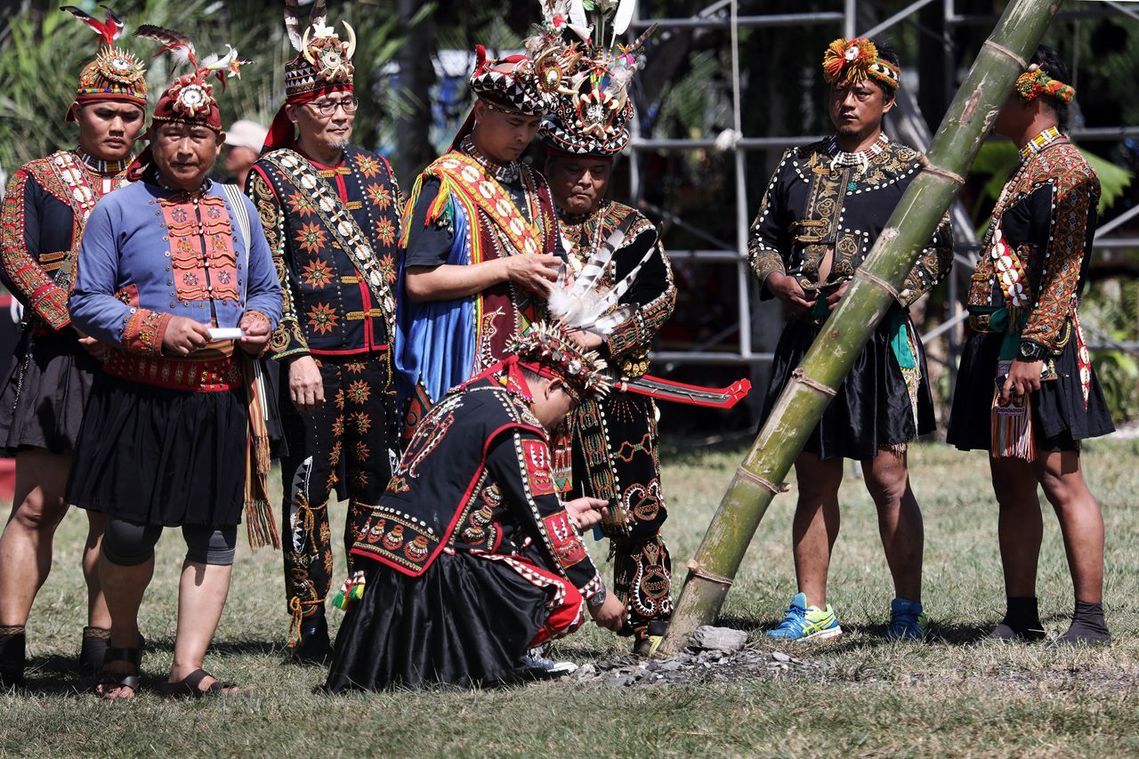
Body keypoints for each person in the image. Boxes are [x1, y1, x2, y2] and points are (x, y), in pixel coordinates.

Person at [66, 29, 281, 698]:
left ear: (218, 146)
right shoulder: (118, 208)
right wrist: (154, 327)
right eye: (171, 135)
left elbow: (268, 289)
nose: (184, 148)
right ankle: (122, 647)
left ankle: (187, 666)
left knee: (213, 532)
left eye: (199, 137)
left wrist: (259, 320)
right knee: (128, 531)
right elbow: (85, 302)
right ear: (151, 142)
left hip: (219, 395)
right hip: (140, 394)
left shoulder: (240, 208)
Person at [748, 37, 952, 641]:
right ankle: (812, 609)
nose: (848, 102)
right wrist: (778, 278)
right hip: (806, 343)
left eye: (862, 93)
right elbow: (761, 242)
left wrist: (879, 294)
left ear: (887, 100)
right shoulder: (795, 165)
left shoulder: (914, 173)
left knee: (888, 476)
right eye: (840, 91)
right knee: (813, 474)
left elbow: (935, 254)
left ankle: (907, 611)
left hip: (877, 346)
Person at [325, 322, 626, 692]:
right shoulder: (518, 424)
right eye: (571, 405)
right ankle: (494, 655)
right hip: (433, 574)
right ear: (552, 387)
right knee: (567, 597)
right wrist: (599, 596)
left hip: (386, 571)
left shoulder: (464, 396)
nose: (566, 419)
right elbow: (546, 524)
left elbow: (466, 505)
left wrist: (563, 512)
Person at [246, 1, 403, 663]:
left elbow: (394, 264)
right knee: (308, 492)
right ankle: (309, 624)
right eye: (324, 102)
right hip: (315, 362)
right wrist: (294, 353)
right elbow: (270, 272)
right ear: (298, 108)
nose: (339, 113)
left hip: (378, 361)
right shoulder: (269, 176)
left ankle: (365, 616)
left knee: (378, 489)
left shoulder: (377, 171)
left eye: (345, 100)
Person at [0, 6, 148, 685]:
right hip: (59, 356)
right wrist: (71, 318)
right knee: (36, 505)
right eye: (103, 113)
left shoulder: (158, 188)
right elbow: (14, 253)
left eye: (128, 115)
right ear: (77, 114)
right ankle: (7, 644)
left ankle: (100, 643)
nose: (116, 126)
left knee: (114, 511)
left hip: (134, 360)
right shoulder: (36, 177)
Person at [947, 46, 1113, 645]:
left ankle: (1090, 619)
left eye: (997, 93)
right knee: (1010, 481)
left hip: (1041, 350)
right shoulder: (1025, 169)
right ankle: (1022, 615)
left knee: (1060, 478)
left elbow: (1063, 275)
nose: (986, 107)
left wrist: (1035, 351)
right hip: (1000, 347)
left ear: (1030, 96)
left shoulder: (1069, 172)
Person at [540, 14, 677, 655]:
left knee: (637, 509)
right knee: (534, 511)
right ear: (552, 163)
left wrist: (602, 341)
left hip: (619, 390)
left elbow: (660, 297)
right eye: (574, 167)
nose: (586, 180)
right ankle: (534, 624)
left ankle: (648, 620)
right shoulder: (526, 223)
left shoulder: (630, 228)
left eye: (597, 167)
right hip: (539, 393)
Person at [395, 39, 571, 422]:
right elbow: (420, 281)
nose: (523, 136)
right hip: (462, 357)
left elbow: (553, 262)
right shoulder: (444, 185)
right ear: (480, 111)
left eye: (533, 125)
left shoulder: (536, 185)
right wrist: (507, 268)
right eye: (513, 122)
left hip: (529, 362)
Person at [223, 119, 267, 189]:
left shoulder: (266, 194)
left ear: (251, 155)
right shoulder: (221, 187)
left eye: (233, 147)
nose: (226, 151)